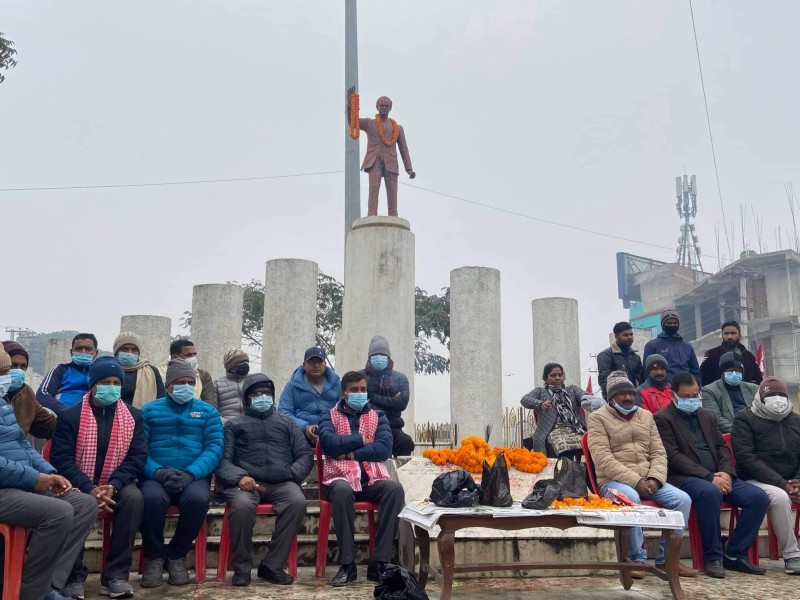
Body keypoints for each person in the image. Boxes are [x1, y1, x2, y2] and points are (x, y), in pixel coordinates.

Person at [0, 347, 98, 600]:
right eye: (2, 372)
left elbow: (22, 443)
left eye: (7, 371)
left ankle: (51, 583)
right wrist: (35, 479)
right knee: (57, 512)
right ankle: (33, 593)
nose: (8, 377)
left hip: (19, 484)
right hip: (5, 489)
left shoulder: (3, 405)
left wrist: (49, 473)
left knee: (85, 504)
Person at [50, 357, 147, 599]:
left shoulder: (133, 417)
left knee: (134, 499)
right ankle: (73, 576)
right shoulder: (70, 415)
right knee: (72, 502)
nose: (111, 387)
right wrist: (87, 487)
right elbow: (61, 458)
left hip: (116, 483)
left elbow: (137, 457)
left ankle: (115, 575)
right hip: (77, 483)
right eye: (105, 382)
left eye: (116, 382)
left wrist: (113, 485)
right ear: (93, 384)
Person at [654, 372, 768, 578]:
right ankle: (713, 556)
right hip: (685, 477)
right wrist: (709, 477)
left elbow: (722, 447)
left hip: (718, 475)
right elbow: (673, 456)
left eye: (695, 396)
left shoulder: (707, 415)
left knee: (758, 497)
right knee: (709, 493)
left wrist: (725, 472)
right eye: (686, 397)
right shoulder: (662, 418)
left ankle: (734, 554)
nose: (692, 401)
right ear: (673, 396)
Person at [587, 371, 694, 577]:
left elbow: (658, 452)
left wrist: (655, 478)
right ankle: (636, 558)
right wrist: (636, 481)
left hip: (649, 479)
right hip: (613, 481)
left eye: (630, 393)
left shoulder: (646, 416)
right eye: (621, 394)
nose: (628, 397)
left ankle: (667, 560)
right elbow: (603, 459)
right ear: (611, 398)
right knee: (630, 498)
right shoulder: (598, 419)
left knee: (683, 500)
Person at [215, 373, 312, 586]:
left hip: (282, 481)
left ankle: (272, 565)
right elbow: (223, 461)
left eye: (266, 393)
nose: (262, 397)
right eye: (256, 393)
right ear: (247, 398)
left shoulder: (287, 423)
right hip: (246, 483)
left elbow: (305, 454)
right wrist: (240, 477)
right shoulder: (234, 425)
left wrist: (292, 474)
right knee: (240, 507)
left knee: (297, 501)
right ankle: (241, 567)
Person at [139, 358, 224, 588]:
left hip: (193, 476)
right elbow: (139, 450)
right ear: (168, 385)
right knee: (150, 499)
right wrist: (157, 473)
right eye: (180, 382)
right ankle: (155, 557)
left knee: (197, 500)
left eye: (190, 381)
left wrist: (190, 473)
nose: (185, 386)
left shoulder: (208, 413)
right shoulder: (148, 411)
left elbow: (214, 449)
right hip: (157, 476)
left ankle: (176, 555)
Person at [319, 371, 405, 587]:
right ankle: (348, 565)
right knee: (342, 491)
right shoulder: (328, 415)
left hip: (371, 480)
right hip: (338, 479)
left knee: (394, 489)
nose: (360, 394)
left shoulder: (379, 416)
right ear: (344, 393)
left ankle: (380, 563)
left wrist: (350, 452)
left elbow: (384, 448)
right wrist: (361, 440)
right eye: (354, 390)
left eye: (363, 390)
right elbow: (329, 444)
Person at [731, 376, 800, 575]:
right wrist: (782, 484)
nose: (777, 399)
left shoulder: (796, 420)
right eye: (771, 395)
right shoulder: (745, 419)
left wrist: (797, 482)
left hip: (791, 480)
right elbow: (746, 458)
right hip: (755, 480)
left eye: (781, 395)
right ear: (761, 397)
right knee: (779, 497)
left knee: (784, 493)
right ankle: (792, 555)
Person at [347, 88, 416, 217]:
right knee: (373, 188)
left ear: (390, 108)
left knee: (392, 190)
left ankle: (393, 214)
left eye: (386, 106)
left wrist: (409, 169)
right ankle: (372, 214)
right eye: (381, 105)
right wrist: (351, 104)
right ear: (377, 107)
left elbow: (404, 149)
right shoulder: (369, 123)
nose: (384, 107)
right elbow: (353, 122)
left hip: (391, 162)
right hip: (374, 161)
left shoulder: (398, 128)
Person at [359, 336, 415, 457]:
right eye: (375, 355)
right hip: (365, 427)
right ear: (369, 357)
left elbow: (401, 403)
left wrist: (372, 397)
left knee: (406, 442)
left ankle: (400, 474)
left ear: (388, 358)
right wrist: (391, 401)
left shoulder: (400, 378)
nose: (379, 358)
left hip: (392, 427)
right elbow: (358, 403)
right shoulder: (360, 377)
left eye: (382, 355)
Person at [521, 363, 587, 458]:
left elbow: (584, 396)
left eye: (560, 375)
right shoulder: (540, 391)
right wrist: (540, 404)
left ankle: (588, 472)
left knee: (595, 444)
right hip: (553, 431)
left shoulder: (572, 390)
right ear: (545, 378)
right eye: (553, 375)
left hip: (576, 429)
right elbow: (524, 400)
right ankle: (567, 471)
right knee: (563, 446)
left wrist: (589, 399)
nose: (557, 378)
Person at [278, 347, 341, 445]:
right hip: (299, 436)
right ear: (304, 365)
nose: (316, 365)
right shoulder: (292, 385)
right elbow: (284, 412)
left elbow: (344, 410)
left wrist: (329, 428)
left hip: (333, 435)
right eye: (312, 362)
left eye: (319, 362)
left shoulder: (337, 384)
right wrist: (305, 427)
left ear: (325, 364)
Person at [2, 340, 56, 438]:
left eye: (23, 366)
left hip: (17, 449)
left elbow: (45, 423)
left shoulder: (25, 392)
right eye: (13, 365)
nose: (18, 370)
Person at [37, 333, 98, 415]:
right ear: (71, 352)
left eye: (88, 349)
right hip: (61, 417)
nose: (83, 352)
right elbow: (43, 393)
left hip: (91, 419)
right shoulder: (60, 370)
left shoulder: (100, 374)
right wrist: (64, 411)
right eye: (79, 349)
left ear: (96, 353)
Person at [701, 352, 760, 433]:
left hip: (755, 430)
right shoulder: (709, 391)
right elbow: (715, 418)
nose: (734, 373)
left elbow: (760, 412)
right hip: (728, 434)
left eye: (738, 370)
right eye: (730, 370)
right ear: (722, 372)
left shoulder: (754, 389)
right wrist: (740, 432)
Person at [643, 310, 702, 385]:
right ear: (663, 325)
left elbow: (695, 371)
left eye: (675, 323)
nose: (672, 325)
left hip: (686, 389)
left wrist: (698, 386)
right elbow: (646, 372)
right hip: (663, 390)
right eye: (669, 323)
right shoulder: (652, 345)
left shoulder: (687, 346)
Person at [700, 321, 762, 386]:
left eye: (733, 333)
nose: (729, 337)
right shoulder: (712, 354)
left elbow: (758, 380)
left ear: (739, 334)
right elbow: (703, 379)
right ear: (722, 335)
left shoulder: (749, 356)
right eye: (726, 334)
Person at [113, 331, 165, 408]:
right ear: (116, 351)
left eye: (134, 349)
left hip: (142, 417)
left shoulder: (152, 371)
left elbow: (161, 400)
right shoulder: (109, 369)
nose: (129, 352)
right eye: (125, 349)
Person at [597, 321, 645, 399]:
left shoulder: (636, 357)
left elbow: (641, 381)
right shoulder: (606, 355)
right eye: (625, 335)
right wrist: (611, 401)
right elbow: (604, 381)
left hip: (633, 399)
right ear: (616, 336)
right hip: (616, 399)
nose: (629, 337)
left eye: (631, 334)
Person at [166, 339, 215, 406]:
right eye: (188, 355)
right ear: (174, 357)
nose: (193, 358)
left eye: (194, 354)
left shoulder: (203, 376)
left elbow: (209, 401)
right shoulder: (162, 374)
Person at [213, 348, 250, 422]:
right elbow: (213, 410)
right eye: (241, 362)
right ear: (230, 366)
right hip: (226, 426)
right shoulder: (217, 383)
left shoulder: (254, 380)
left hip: (250, 426)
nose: (245, 365)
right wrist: (226, 424)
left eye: (246, 361)